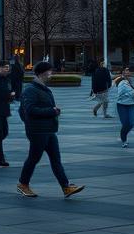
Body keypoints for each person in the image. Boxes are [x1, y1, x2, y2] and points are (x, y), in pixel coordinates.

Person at [17, 61, 84, 199]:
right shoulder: (30, 90)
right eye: (50, 71)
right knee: (33, 158)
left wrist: (51, 112)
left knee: (56, 159)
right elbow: (28, 110)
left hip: (48, 130)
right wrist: (51, 111)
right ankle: (23, 184)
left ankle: (66, 187)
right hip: (38, 131)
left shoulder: (42, 88)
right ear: (43, 73)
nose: (51, 73)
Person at [113, 66, 134, 147]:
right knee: (125, 124)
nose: (128, 72)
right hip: (122, 105)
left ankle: (123, 135)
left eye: (128, 71)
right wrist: (133, 93)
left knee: (132, 123)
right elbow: (120, 93)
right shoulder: (119, 80)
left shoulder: (132, 81)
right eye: (126, 71)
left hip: (131, 104)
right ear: (122, 72)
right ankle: (124, 140)